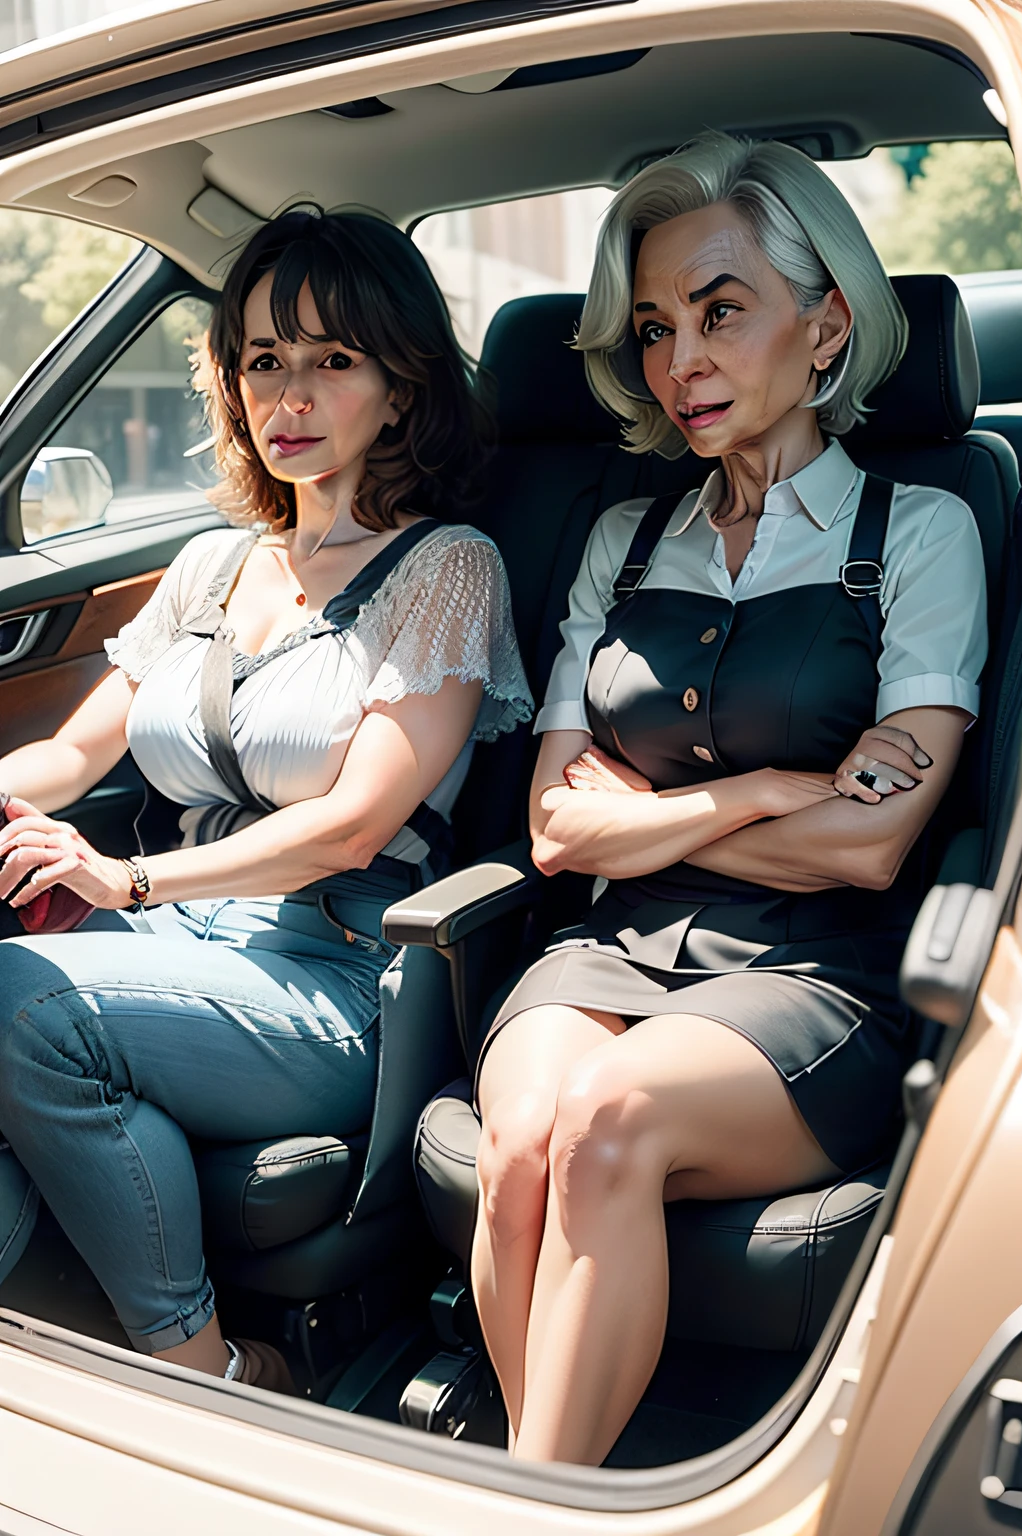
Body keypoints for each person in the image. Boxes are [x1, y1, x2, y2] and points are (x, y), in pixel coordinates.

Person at [470, 132, 986, 1465]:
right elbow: (551, 827)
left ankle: (529, 1496)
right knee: (522, 1144)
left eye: (719, 311)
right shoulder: (619, 539)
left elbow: (873, 852)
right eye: (652, 328)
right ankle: (552, 1486)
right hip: (603, 949)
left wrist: (645, 819)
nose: (678, 360)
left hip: (813, 976)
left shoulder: (923, 532)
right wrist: (774, 785)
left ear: (824, 329)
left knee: (606, 1121)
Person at [0, 207, 531, 1389]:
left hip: (332, 979)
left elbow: (353, 822)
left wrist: (124, 878)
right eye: (262, 361)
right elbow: (70, 759)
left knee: (18, 1002)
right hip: (172, 947)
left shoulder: (447, 567)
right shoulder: (209, 565)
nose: (288, 396)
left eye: (331, 361)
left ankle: (201, 1373)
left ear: (398, 389)